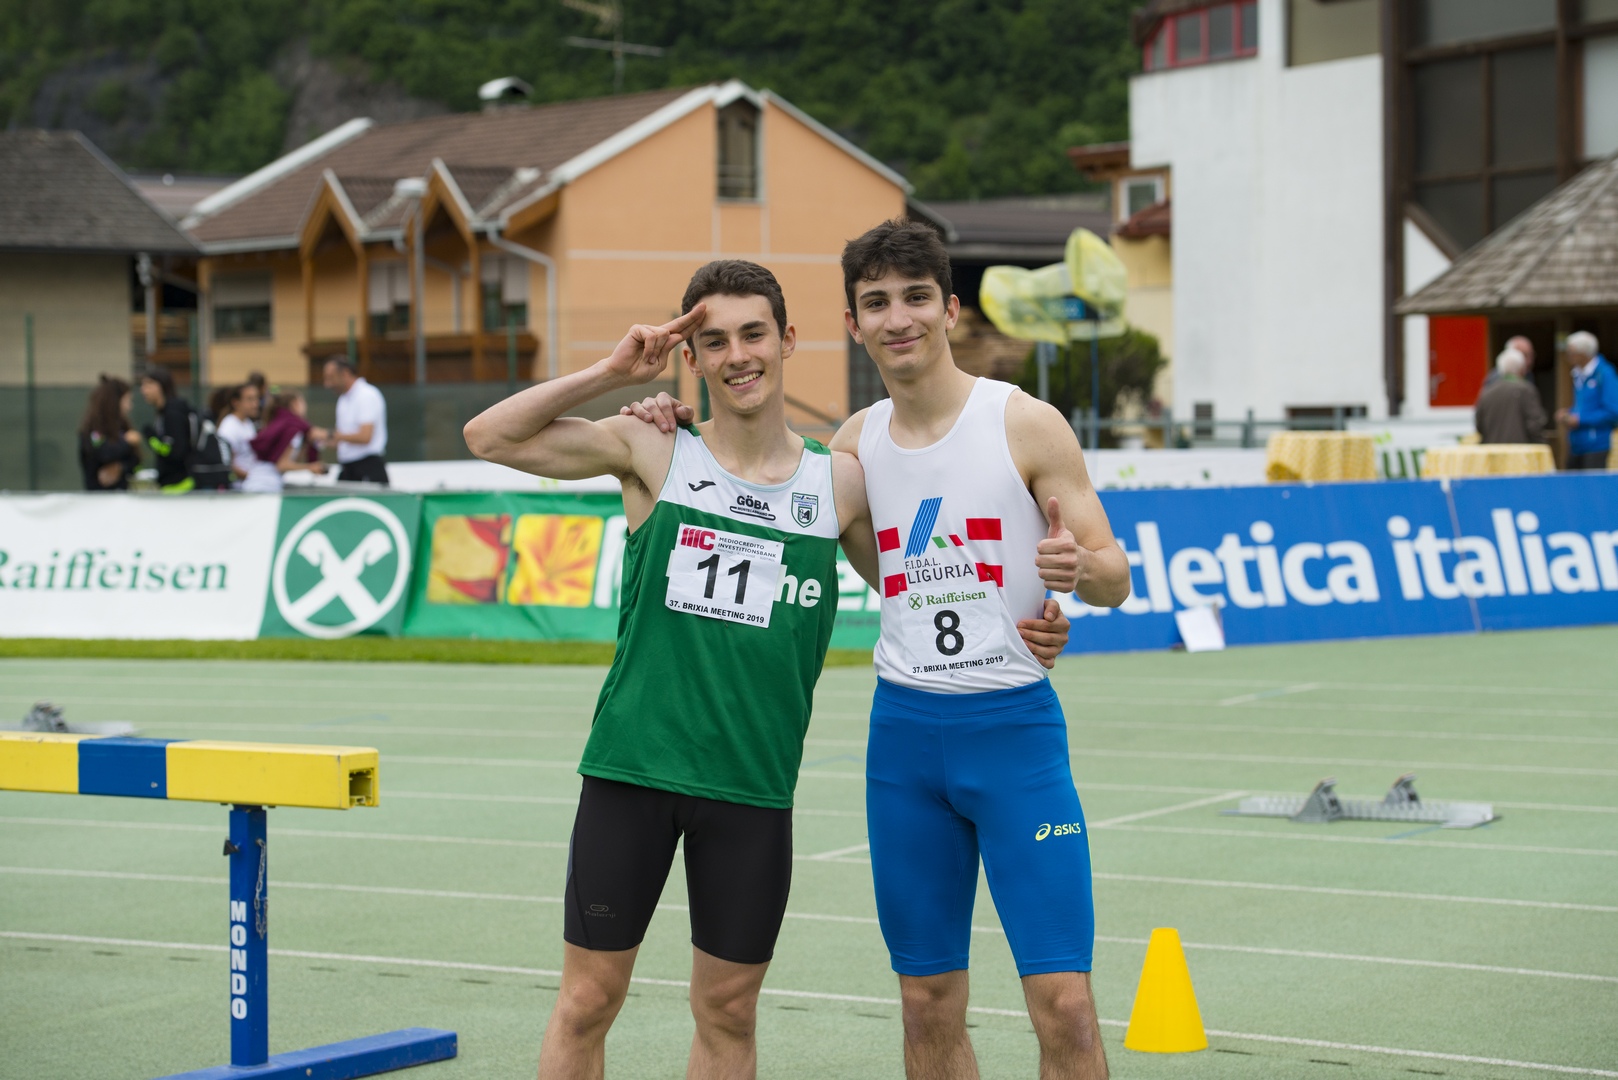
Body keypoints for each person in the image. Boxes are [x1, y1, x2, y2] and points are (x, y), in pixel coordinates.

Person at [464, 260, 1072, 1080]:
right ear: (691, 357)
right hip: (632, 775)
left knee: (728, 1012)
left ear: (787, 340)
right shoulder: (654, 448)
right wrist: (613, 372)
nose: (737, 355)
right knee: (587, 1001)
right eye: (714, 341)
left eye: (753, 334)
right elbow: (489, 437)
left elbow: (926, 577)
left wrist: (1034, 619)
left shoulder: (840, 481)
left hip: (752, 792)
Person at [835, 221, 1127, 1080]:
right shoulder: (853, 447)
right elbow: (874, 565)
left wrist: (1078, 571)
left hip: (1014, 737)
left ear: (951, 309)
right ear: (853, 324)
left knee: (1065, 1004)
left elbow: (1114, 577)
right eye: (877, 303)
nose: (899, 319)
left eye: (917, 297)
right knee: (926, 1002)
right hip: (905, 743)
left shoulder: (1024, 422)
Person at [1556, 331, 1618, 470]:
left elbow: (1614, 411)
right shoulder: (1578, 374)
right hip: (1576, 445)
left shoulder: (1605, 374)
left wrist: (1580, 420)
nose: (1568, 356)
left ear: (1584, 353)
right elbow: (1585, 406)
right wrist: (1569, 413)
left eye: (1572, 353)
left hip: (1597, 446)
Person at [322, 358, 389, 484]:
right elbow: (341, 439)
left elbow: (365, 437)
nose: (327, 384)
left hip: (368, 466)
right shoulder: (343, 399)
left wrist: (329, 434)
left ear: (345, 373)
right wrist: (320, 440)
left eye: (331, 378)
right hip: (348, 467)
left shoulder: (366, 395)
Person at [245, 391, 325, 492]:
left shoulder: (280, 424)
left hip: (257, 481)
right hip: (266, 485)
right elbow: (282, 465)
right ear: (294, 404)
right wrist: (311, 467)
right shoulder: (293, 429)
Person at [138, 367, 197, 493]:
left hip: (180, 486)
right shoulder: (164, 413)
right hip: (174, 485)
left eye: (148, 384)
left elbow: (175, 452)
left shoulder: (172, 413)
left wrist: (151, 437)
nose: (143, 390)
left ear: (161, 386)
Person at [78, 375, 141, 491]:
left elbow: (135, 461)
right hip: (98, 496)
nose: (129, 407)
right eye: (127, 401)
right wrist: (126, 441)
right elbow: (102, 452)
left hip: (122, 494)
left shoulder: (123, 427)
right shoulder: (94, 428)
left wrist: (120, 467)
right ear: (114, 402)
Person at [1474, 347, 1546, 445]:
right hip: (1521, 450)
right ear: (1522, 369)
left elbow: (1479, 425)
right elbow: (1535, 425)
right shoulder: (1526, 390)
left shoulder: (1487, 392)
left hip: (1493, 450)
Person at [216, 382, 262, 489]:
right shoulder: (229, 427)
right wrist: (254, 477)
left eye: (256, 399)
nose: (255, 404)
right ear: (235, 402)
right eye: (250, 399)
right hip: (238, 490)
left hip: (250, 485)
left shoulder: (248, 423)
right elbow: (228, 464)